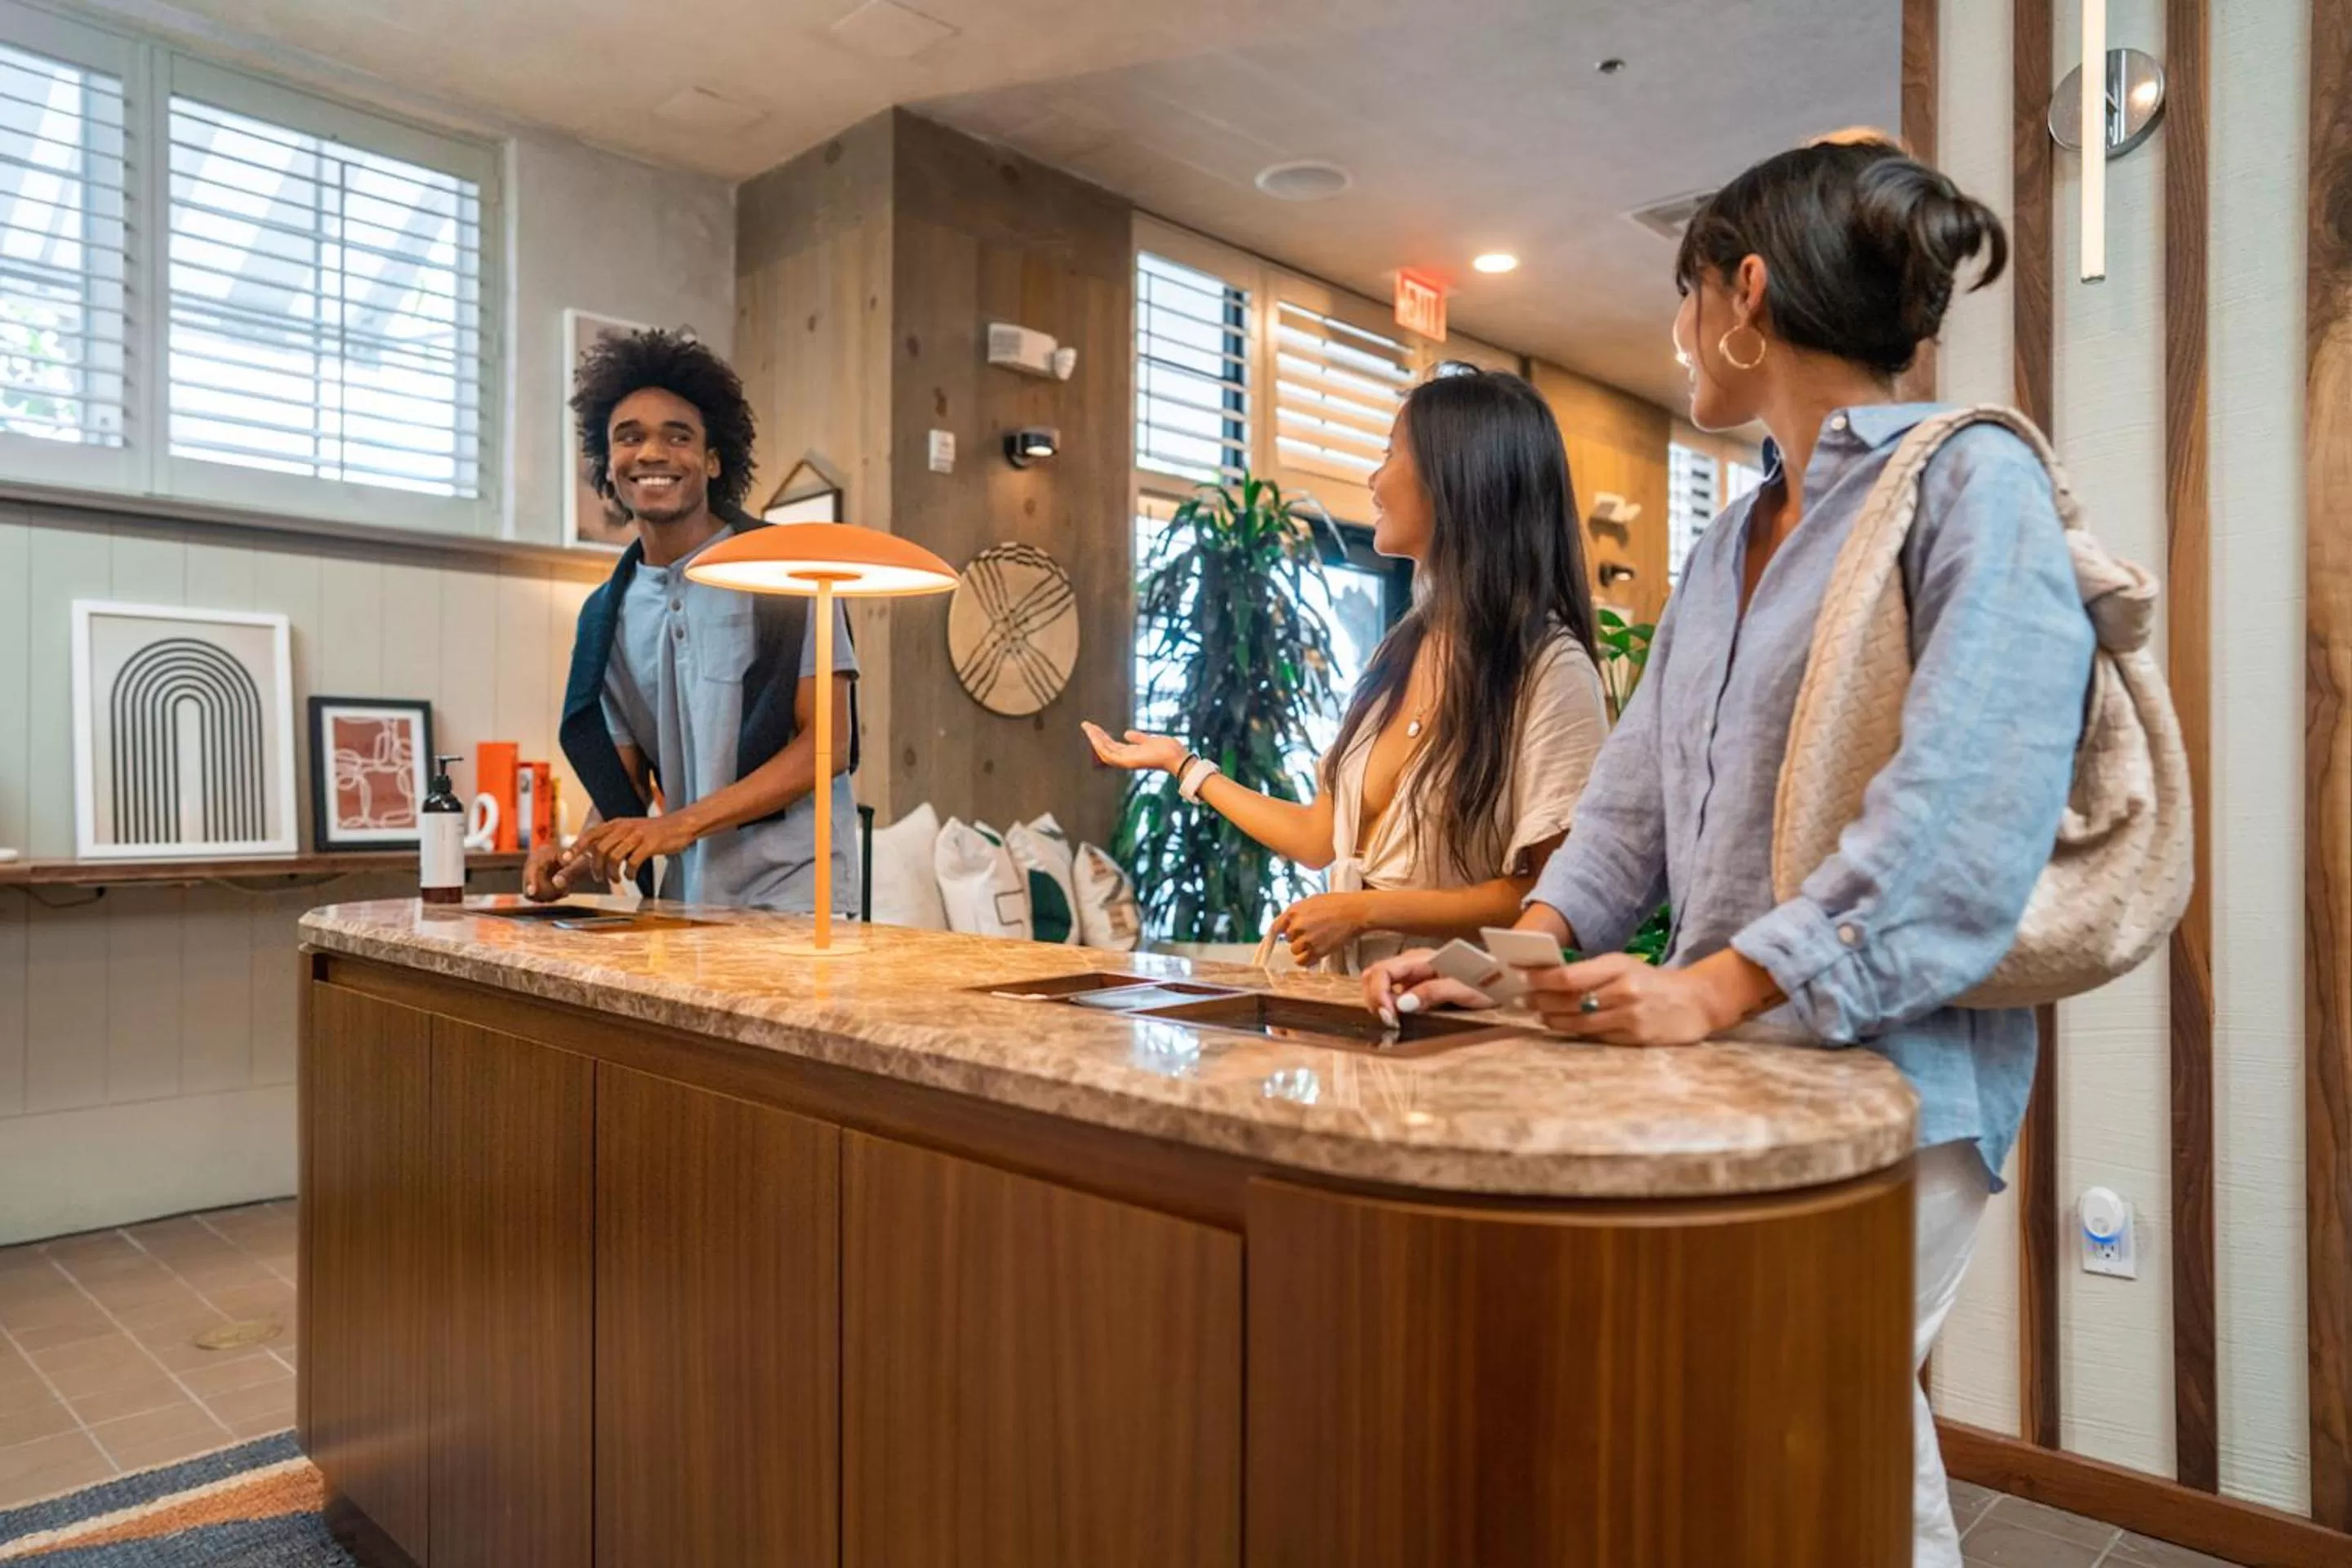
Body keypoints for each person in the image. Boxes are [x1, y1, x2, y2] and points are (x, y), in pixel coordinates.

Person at [1362, 137, 2091, 1567]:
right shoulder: (1725, 543)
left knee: (1801, 1435)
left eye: (1684, 296)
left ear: (1745, 295)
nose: (1680, 333)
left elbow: (1964, 812)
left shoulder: (1970, 483)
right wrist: (1509, 957)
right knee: (1821, 1446)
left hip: (1892, 1078)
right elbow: (1628, 806)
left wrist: (1717, 987)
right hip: (1729, 1070)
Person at [1085, 368, 1608, 972]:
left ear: (1456, 478)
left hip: (1464, 1013)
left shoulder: (1550, 670)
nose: (1373, 478)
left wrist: (1364, 912)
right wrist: (1184, 766)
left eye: (1390, 453)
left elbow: (1551, 892)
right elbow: (1318, 837)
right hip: (1359, 1001)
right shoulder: (1400, 652)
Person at [526, 329, 860, 912]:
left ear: (712, 460)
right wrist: (578, 856)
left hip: (798, 898)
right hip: (685, 903)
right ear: (609, 464)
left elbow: (827, 743)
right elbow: (625, 785)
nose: (651, 453)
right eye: (630, 437)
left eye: (677, 436)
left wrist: (677, 826)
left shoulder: (788, 572)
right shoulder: (605, 617)